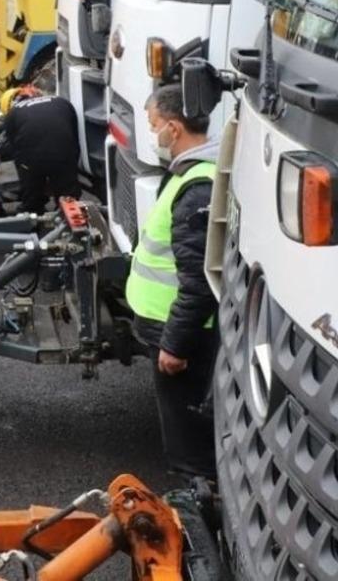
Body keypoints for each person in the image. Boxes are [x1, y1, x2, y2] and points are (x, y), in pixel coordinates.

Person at [125, 83, 218, 480]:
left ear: (174, 128)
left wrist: (175, 343)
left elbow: (197, 279)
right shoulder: (191, 175)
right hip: (168, 325)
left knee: (187, 440)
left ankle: (198, 512)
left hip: (178, 333)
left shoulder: (197, 188)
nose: (153, 135)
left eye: (154, 125)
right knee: (182, 426)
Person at [0, 85, 81, 215]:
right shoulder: (61, 101)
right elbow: (74, 139)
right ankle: (67, 211)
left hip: (32, 160)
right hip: (64, 155)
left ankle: (31, 211)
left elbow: (12, 149)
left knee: (32, 194)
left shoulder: (13, 113)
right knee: (69, 196)